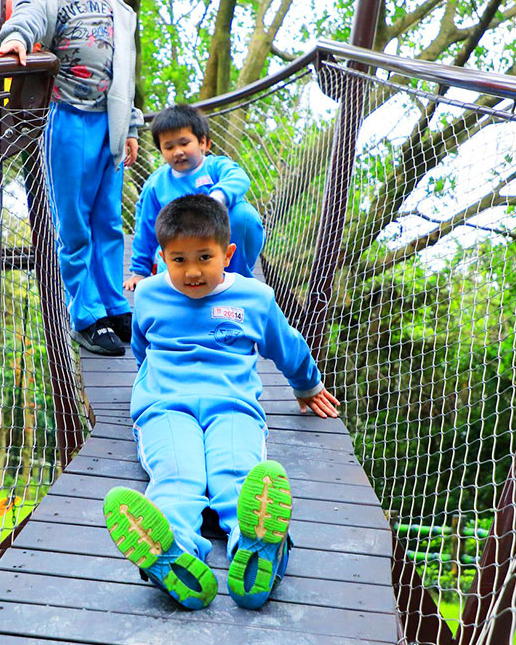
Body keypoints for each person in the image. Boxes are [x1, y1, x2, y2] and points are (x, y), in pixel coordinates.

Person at [103, 194, 340, 610]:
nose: (192, 271)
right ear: (161, 258)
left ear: (228, 254)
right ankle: (172, 552)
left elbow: (288, 346)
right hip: (165, 407)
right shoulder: (151, 294)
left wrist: (308, 386)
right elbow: (143, 348)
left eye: (204, 257)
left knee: (237, 473)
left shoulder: (254, 298)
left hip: (232, 405)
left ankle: (260, 549)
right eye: (179, 260)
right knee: (178, 475)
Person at [0, 0, 141, 357]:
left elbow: (125, 67)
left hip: (110, 122)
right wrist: (17, 38)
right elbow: (29, 16)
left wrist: (132, 126)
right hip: (69, 118)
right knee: (74, 223)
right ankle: (87, 314)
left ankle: (116, 305)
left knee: (109, 221)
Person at [125, 104, 265, 290]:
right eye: (169, 146)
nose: (178, 151)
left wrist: (217, 197)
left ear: (203, 144)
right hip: (180, 258)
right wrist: (139, 271)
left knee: (243, 214)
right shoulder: (157, 184)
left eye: (184, 143)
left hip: (216, 251)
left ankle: (235, 282)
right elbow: (146, 227)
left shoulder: (215, 167)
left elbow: (239, 178)